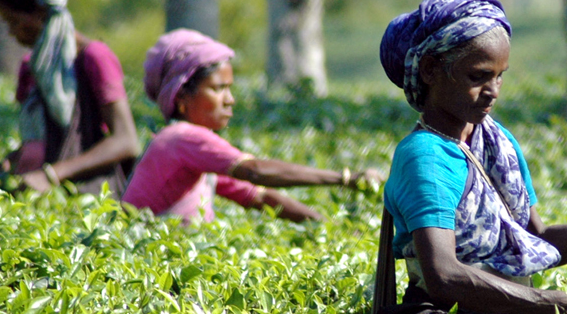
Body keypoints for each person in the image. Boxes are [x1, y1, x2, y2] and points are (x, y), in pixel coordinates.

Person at [377, 0, 567, 314]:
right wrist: (557, 306)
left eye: (499, 76)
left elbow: (535, 238)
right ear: (431, 70)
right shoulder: (425, 157)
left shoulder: (497, 142)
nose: (493, 91)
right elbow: (443, 274)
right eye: (478, 76)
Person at [122, 29, 384, 224]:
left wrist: (325, 226)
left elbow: (258, 196)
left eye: (230, 88)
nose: (230, 99)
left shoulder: (196, 154)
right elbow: (254, 171)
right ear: (181, 98)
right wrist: (345, 179)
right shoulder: (183, 137)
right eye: (218, 88)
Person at [0, 0, 139, 196]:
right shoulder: (32, 67)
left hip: (88, 197)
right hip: (35, 193)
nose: (12, 32)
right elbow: (39, 144)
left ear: (41, 12)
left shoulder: (93, 57)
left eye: (14, 21)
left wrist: (51, 175)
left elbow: (126, 140)